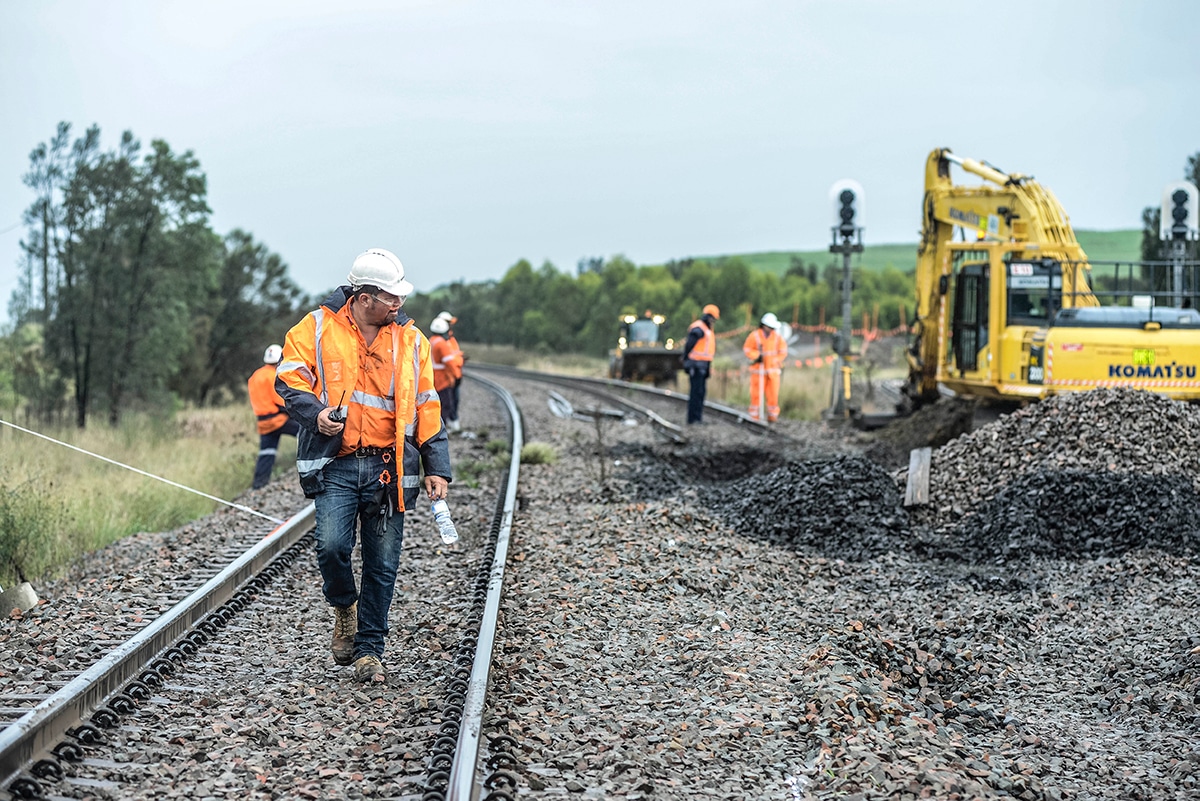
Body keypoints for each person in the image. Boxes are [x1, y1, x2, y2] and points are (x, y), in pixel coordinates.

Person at [276, 247, 452, 683]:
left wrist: (437, 465)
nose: (399, 304)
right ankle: (344, 607)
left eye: (400, 297)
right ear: (364, 296)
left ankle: (370, 650)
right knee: (332, 548)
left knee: (383, 563)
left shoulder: (413, 340)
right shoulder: (315, 327)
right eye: (391, 297)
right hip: (336, 463)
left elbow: (428, 404)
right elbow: (289, 378)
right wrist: (315, 413)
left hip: (390, 467)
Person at [248, 344, 300, 489]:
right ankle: (310, 468)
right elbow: (281, 402)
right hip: (279, 419)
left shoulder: (255, 376)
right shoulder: (274, 375)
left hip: (263, 423)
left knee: (266, 453)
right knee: (305, 433)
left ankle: (259, 485)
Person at [742, 312, 788, 423]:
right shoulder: (754, 336)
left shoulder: (777, 337)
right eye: (770, 327)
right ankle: (755, 417)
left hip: (772, 373)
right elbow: (747, 349)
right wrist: (757, 356)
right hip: (758, 372)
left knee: (773, 395)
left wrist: (775, 361)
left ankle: (772, 417)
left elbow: (783, 352)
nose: (771, 329)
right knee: (756, 395)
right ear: (763, 325)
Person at [681, 304, 720, 424]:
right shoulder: (699, 328)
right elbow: (689, 345)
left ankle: (697, 418)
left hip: (703, 365)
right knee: (696, 392)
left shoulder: (707, 329)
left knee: (700, 393)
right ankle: (693, 419)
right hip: (696, 366)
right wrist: (686, 359)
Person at [429, 316, 463, 432]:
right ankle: (440, 430)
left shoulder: (430, 341)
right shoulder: (442, 344)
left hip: (432, 378)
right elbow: (450, 362)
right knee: (446, 404)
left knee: (436, 404)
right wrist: (457, 376)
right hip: (442, 379)